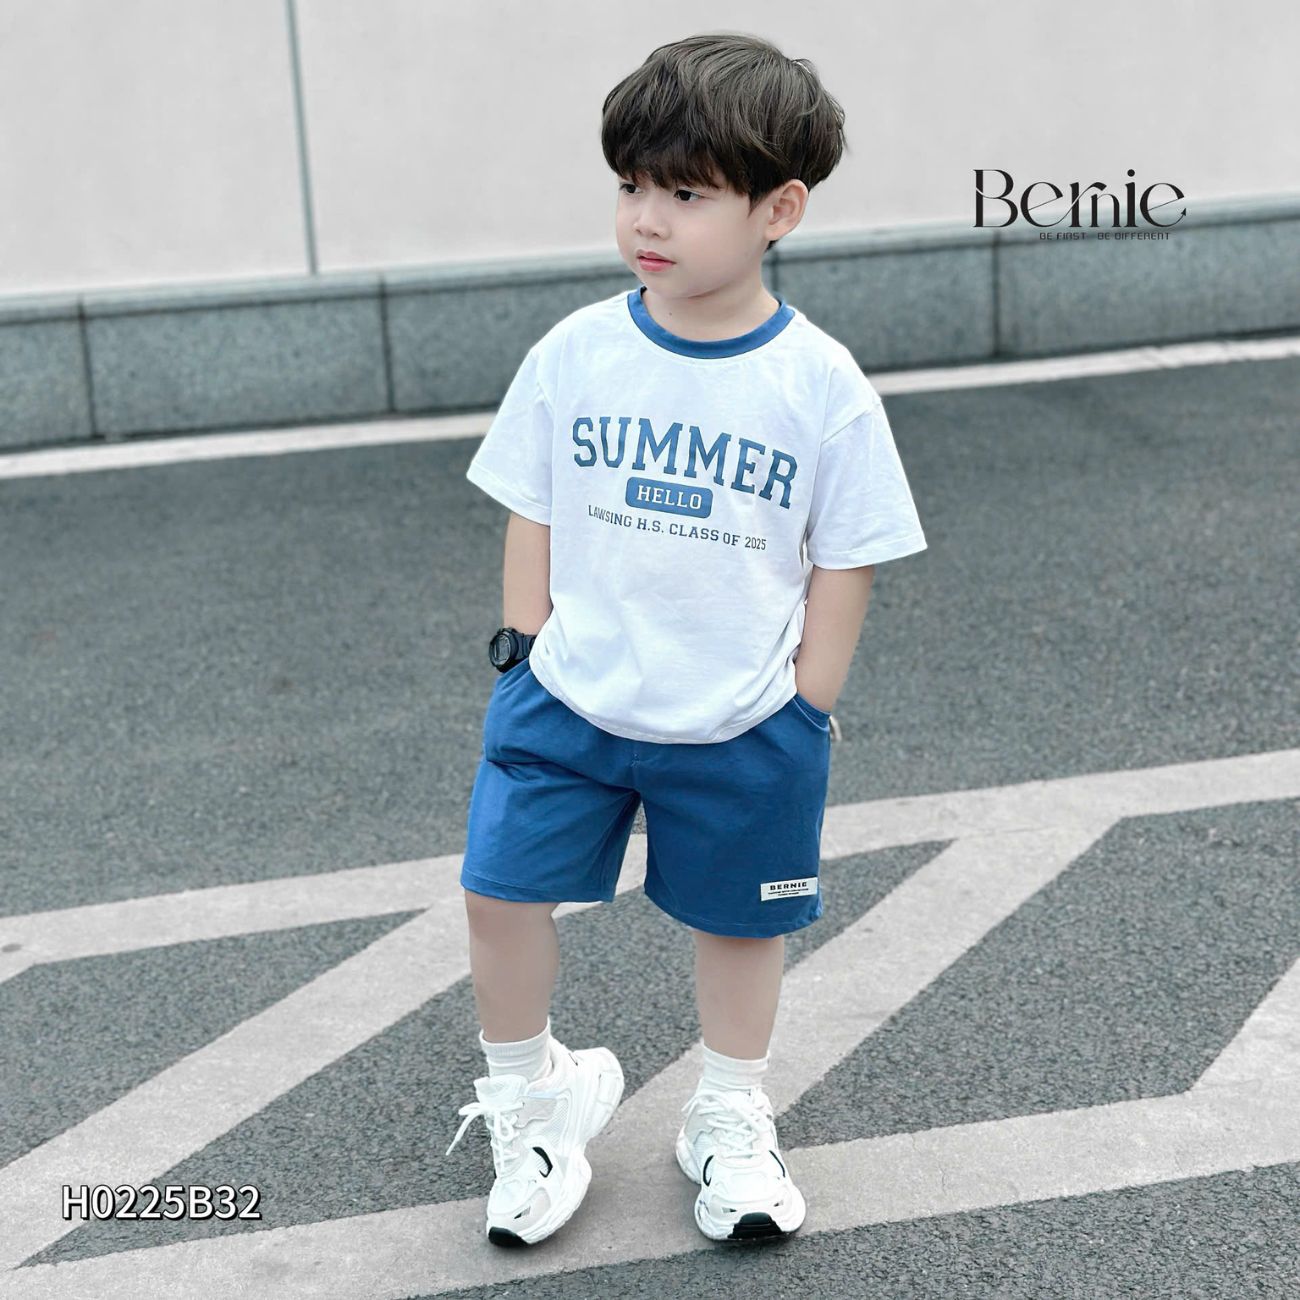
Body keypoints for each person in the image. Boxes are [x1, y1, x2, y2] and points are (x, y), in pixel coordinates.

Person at [443, 31, 927, 1247]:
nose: (647, 219)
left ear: (780, 210)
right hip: (569, 697)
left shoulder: (817, 384)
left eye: (688, 193)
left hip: (744, 715)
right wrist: (523, 646)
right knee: (496, 894)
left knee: (741, 924)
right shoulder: (576, 351)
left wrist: (807, 701)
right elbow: (531, 501)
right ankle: (531, 1099)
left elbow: (848, 551)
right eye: (631, 186)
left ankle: (727, 1111)